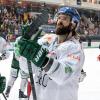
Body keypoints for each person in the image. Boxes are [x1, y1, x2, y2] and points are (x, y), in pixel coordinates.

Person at [19, 6, 85, 100]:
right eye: (59, 18)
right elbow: (28, 68)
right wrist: (23, 53)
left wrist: (43, 61)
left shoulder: (75, 48)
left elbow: (64, 74)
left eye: (64, 19)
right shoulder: (47, 39)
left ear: (73, 24)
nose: (59, 21)